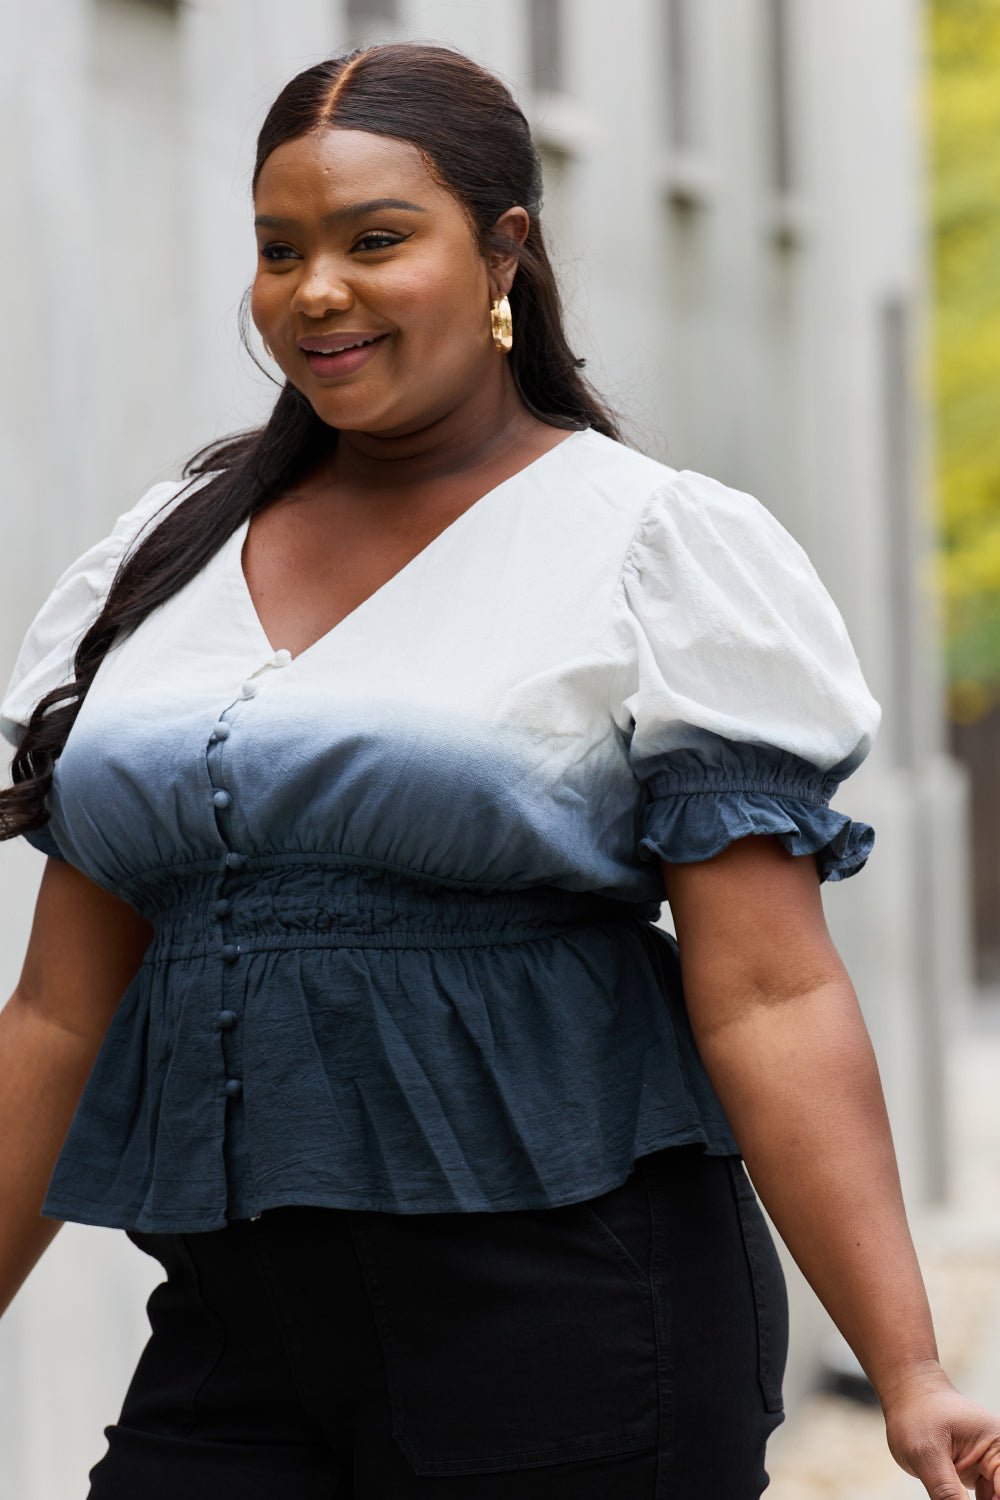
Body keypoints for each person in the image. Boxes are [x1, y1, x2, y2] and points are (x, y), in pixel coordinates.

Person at [0, 39, 997, 1500]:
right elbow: (58, 1015)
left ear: (503, 254)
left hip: (576, 1317)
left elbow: (769, 989)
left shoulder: (651, 548)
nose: (315, 289)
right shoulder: (161, 562)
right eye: (281, 250)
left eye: (376, 239)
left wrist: (907, 1372)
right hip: (234, 1331)